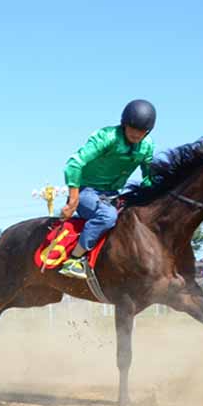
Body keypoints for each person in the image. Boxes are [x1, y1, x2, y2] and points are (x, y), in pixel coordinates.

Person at [58, 100, 156, 279]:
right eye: (133, 128)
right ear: (124, 124)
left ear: (147, 131)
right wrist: (73, 200)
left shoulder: (147, 145)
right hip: (86, 192)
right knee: (107, 216)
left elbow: (149, 177)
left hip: (113, 195)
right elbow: (74, 164)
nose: (136, 134)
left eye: (141, 130)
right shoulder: (107, 137)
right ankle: (74, 259)